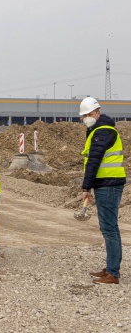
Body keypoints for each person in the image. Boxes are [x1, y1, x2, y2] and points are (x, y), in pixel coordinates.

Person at [79, 97, 125, 284]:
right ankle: (111, 268)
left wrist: (85, 187)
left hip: (108, 183)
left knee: (109, 229)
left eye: (88, 114)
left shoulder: (102, 132)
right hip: (107, 183)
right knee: (110, 227)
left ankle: (113, 273)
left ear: (97, 112)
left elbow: (94, 161)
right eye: (83, 116)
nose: (85, 118)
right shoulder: (99, 130)